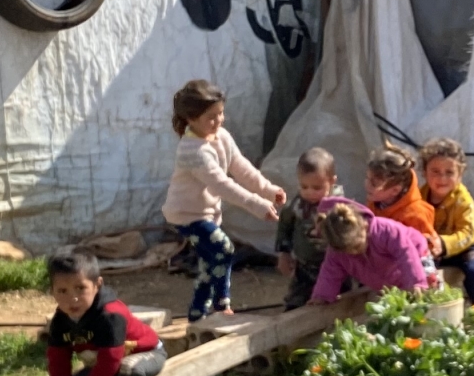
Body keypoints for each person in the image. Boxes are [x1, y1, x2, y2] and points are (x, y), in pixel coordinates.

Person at [160, 79, 283, 324]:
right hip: (187, 215)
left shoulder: (220, 136)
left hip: (206, 213)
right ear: (191, 119)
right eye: (211, 117)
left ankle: (197, 312)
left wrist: (268, 189)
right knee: (223, 249)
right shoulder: (192, 150)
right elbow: (221, 184)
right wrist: (257, 205)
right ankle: (221, 304)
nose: (219, 120)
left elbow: (241, 167)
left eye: (221, 113)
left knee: (210, 262)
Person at [43, 248, 164, 376]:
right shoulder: (61, 320)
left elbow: (110, 359)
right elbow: (58, 359)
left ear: (97, 285)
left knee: (129, 370)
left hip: (147, 353)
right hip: (105, 363)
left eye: (80, 288)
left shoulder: (111, 315)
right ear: (52, 291)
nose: (72, 298)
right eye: (62, 291)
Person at [308, 202, 436, 302]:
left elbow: (407, 254)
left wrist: (416, 283)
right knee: (396, 300)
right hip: (385, 274)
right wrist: (322, 296)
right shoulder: (337, 250)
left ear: (364, 226)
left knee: (428, 288)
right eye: (347, 250)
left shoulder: (385, 231)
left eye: (357, 245)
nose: (353, 252)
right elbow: (330, 273)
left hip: (417, 256)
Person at [419, 137, 474, 310]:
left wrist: (443, 244)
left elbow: (468, 232)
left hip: (469, 245)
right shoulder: (419, 198)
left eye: (449, 172)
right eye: (435, 171)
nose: (442, 178)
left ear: (460, 174)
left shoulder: (463, 200)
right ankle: (433, 313)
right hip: (435, 249)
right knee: (424, 272)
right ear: (424, 172)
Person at [273, 147, 348, 311]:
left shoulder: (340, 208)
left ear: (332, 181)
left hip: (333, 268)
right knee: (295, 304)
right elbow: (285, 226)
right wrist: (284, 253)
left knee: (338, 304)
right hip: (304, 268)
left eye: (317, 187)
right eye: (304, 186)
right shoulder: (297, 205)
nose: (309, 192)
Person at [363, 144, 436, 247]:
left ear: (395, 190)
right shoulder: (375, 203)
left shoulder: (415, 216)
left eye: (374, 183)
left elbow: (425, 248)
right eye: (367, 178)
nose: (367, 185)